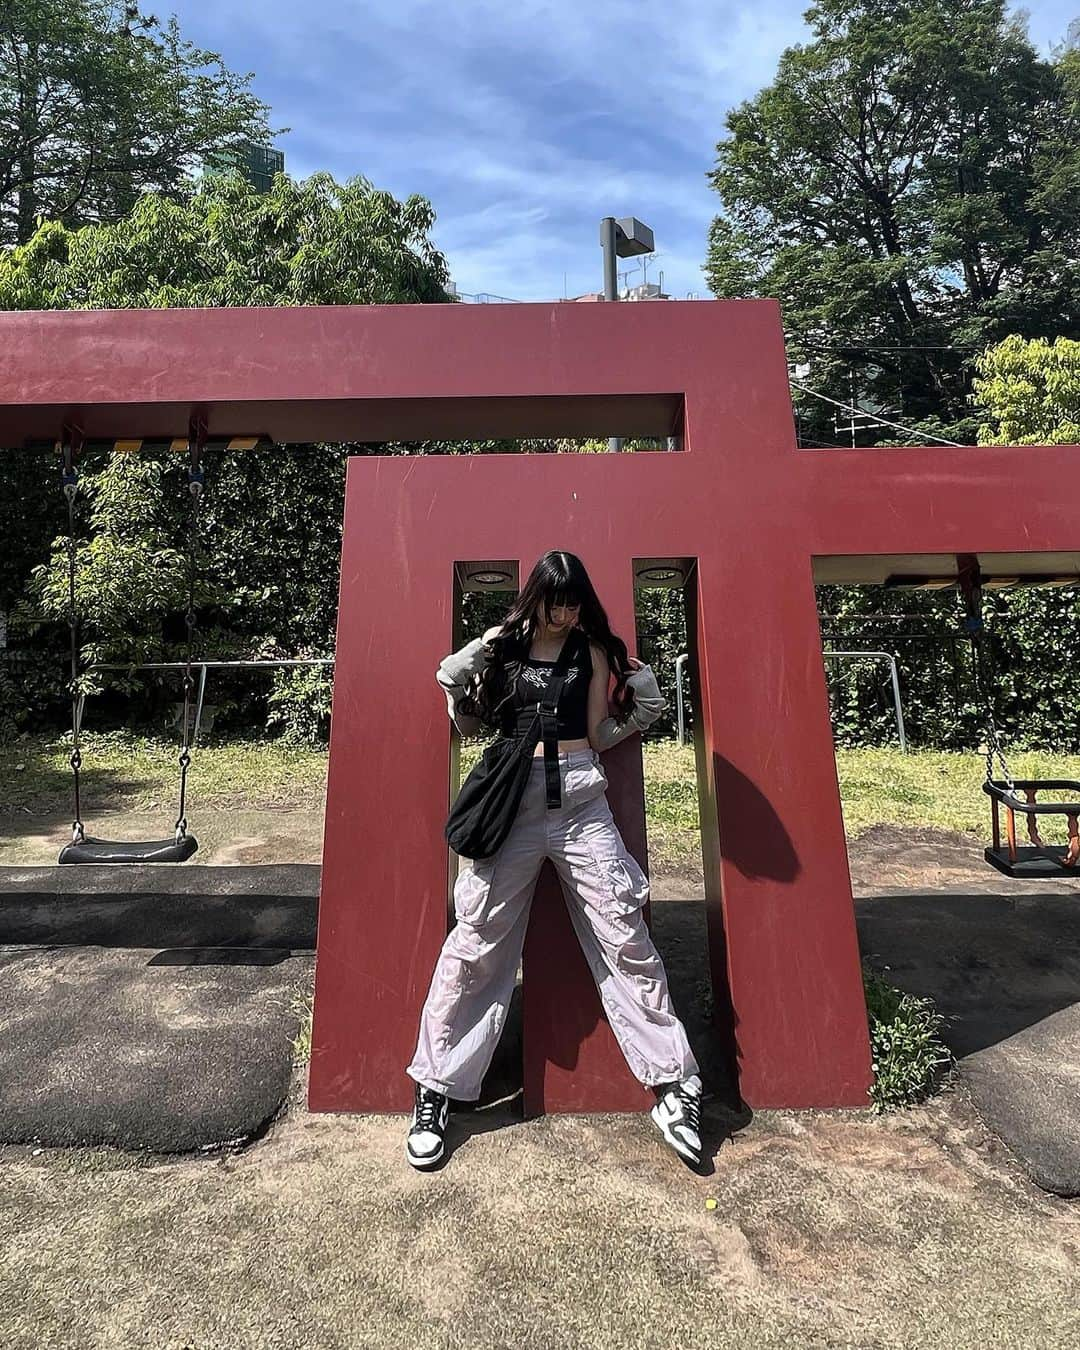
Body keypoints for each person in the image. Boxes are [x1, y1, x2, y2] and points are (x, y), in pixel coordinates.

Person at [405, 549, 702, 1170]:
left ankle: (675, 1084)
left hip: (580, 804)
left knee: (625, 933)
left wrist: (642, 698)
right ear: (537, 596)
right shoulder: (504, 650)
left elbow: (598, 734)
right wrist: (476, 654)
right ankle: (436, 1087)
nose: (567, 612)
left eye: (575, 601)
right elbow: (459, 699)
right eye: (557, 600)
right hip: (511, 805)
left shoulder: (589, 652)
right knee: (478, 939)